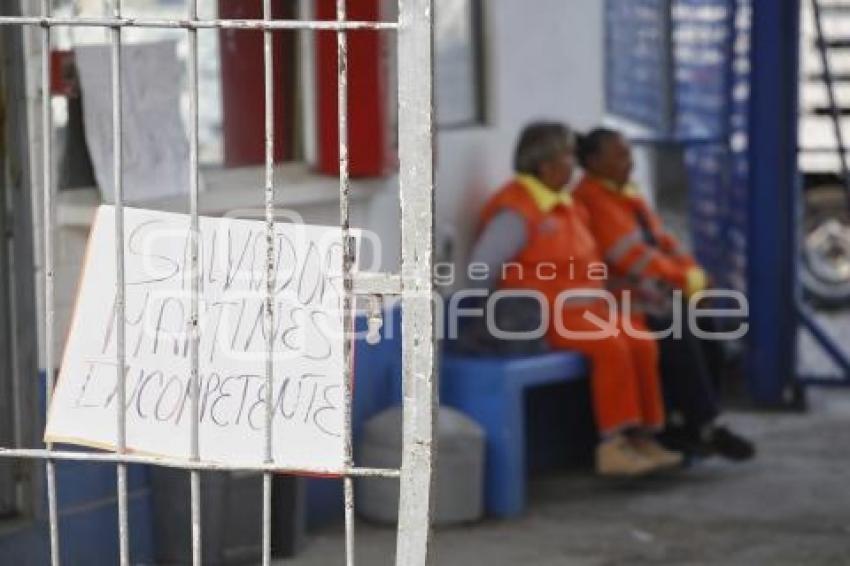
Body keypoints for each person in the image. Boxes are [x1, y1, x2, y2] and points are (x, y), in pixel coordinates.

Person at [469, 122, 682, 476]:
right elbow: (481, 268)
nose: (573, 164)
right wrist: (493, 315)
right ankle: (612, 445)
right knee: (611, 345)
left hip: (587, 310)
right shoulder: (517, 209)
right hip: (542, 316)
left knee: (641, 340)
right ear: (546, 164)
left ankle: (642, 438)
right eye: (567, 156)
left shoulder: (569, 207)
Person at [573, 127, 755, 461]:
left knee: (702, 320)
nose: (629, 162)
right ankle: (697, 422)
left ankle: (704, 419)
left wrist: (693, 277)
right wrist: (684, 281)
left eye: (629, 154)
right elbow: (632, 259)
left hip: (650, 292)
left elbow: (664, 243)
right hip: (618, 299)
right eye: (621, 155)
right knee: (675, 326)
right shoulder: (592, 200)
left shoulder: (627, 195)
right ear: (594, 161)